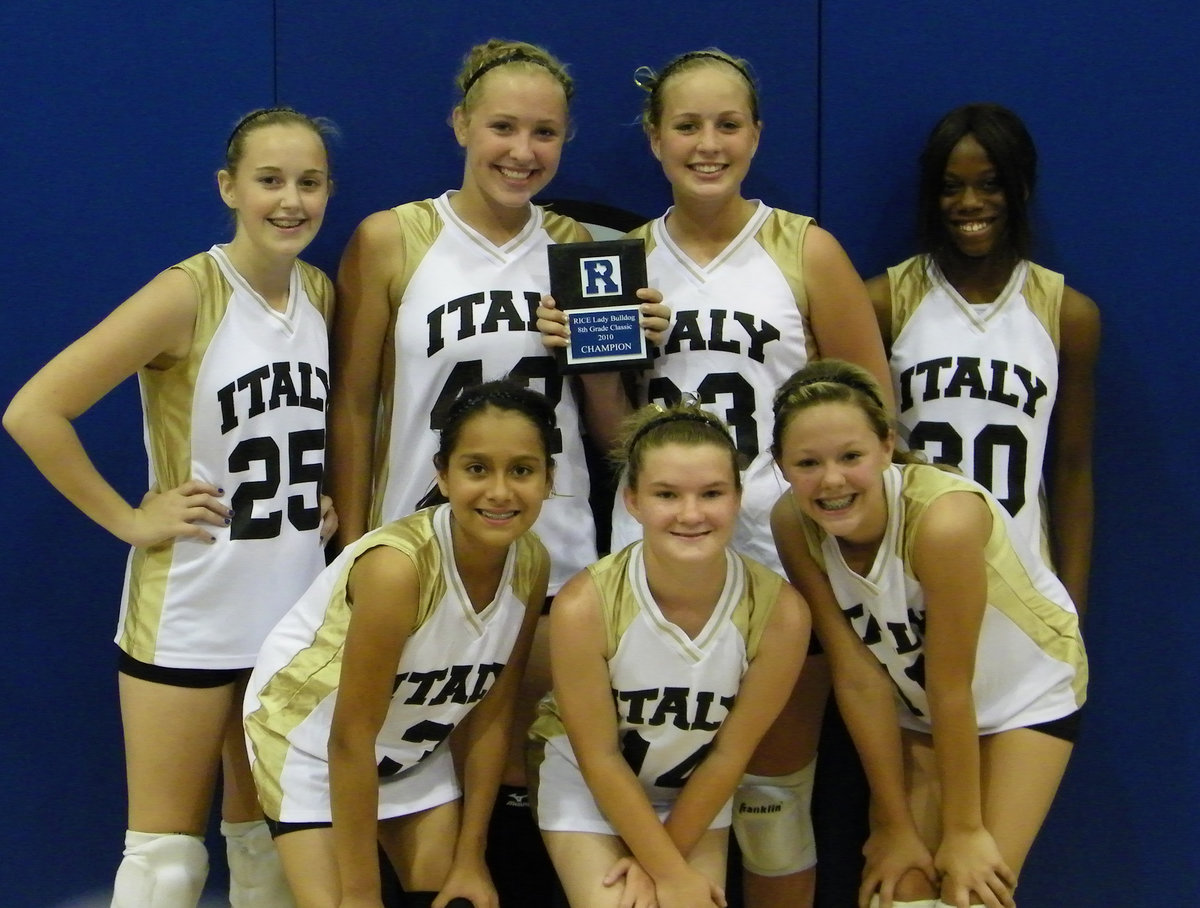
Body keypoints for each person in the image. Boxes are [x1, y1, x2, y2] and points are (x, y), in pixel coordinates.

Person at [538, 48, 891, 906]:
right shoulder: (619, 260)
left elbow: (872, 420)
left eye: (727, 124)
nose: (708, 144)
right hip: (660, 556)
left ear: (757, 135)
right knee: (649, 779)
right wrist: (588, 354)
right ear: (655, 140)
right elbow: (617, 438)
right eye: (687, 125)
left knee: (773, 805)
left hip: (786, 549)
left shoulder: (805, 249)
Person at [327, 39, 665, 904]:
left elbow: (614, 428)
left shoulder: (583, 247)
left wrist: (623, 345)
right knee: (404, 766)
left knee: (525, 759)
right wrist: (360, 540)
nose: (523, 151)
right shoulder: (392, 237)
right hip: (419, 542)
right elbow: (356, 403)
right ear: (460, 125)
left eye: (544, 132)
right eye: (503, 127)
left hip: (547, 546)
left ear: (567, 139)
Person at [3, 107, 337, 906]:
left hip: (289, 608)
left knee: (269, 854)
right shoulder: (186, 292)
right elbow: (33, 411)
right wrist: (128, 517)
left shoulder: (321, 291)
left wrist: (317, 497)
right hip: (190, 606)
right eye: (269, 180)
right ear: (230, 187)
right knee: (165, 864)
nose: (290, 200)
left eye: (310, 182)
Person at [769, 360, 1087, 908]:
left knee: (971, 889)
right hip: (914, 705)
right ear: (782, 467)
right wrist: (895, 825)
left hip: (1023, 696)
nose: (833, 480)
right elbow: (856, 674)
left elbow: (952, 685)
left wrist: (964, 832)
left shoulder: (944, 522)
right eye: (807, 463)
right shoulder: (791, 523)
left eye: (851, 456)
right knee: (900, 890)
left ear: (887, 446)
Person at [244, 381, 556, 908]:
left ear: (549, 479)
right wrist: (362, 895)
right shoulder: (398, 569)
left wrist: (470, 857)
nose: (500, 492)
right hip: (312, 744)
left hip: (413, 750)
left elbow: (493, 715)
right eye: (477, 468)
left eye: (522, 470)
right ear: (443, 474)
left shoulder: (532, 562)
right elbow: (350, 736)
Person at [530, 404, 809, 908]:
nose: (691, 513)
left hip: (695, 792)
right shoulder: (583, 606)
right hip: (590, 786)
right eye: (666, 494)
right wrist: (664, 871)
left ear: (738, 497)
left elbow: (729, 755)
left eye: (711, 493)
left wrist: (667, 869)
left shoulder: (780, 613)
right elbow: (600, 757)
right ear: (633, 501)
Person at [865, 103, 1099, 613]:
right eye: (952, 187)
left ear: (1022, 187)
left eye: (990, 184)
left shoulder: (1067, 314)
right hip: (910, 587)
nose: (970, 203)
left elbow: (1073, 468)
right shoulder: (885, 302)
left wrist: (1070, 606)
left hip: (1021, 591)